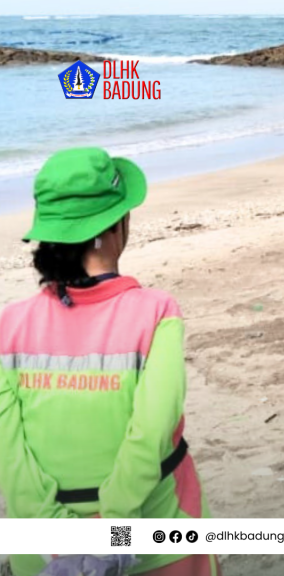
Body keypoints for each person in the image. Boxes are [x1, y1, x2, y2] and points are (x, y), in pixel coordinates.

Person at [0, 148, 219, 576]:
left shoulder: (9, 324)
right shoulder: (156, 312)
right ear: (116, 226)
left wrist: (54, 533)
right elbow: (151, 432)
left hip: (43, 552)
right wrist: (112, 532)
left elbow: (9, 452)